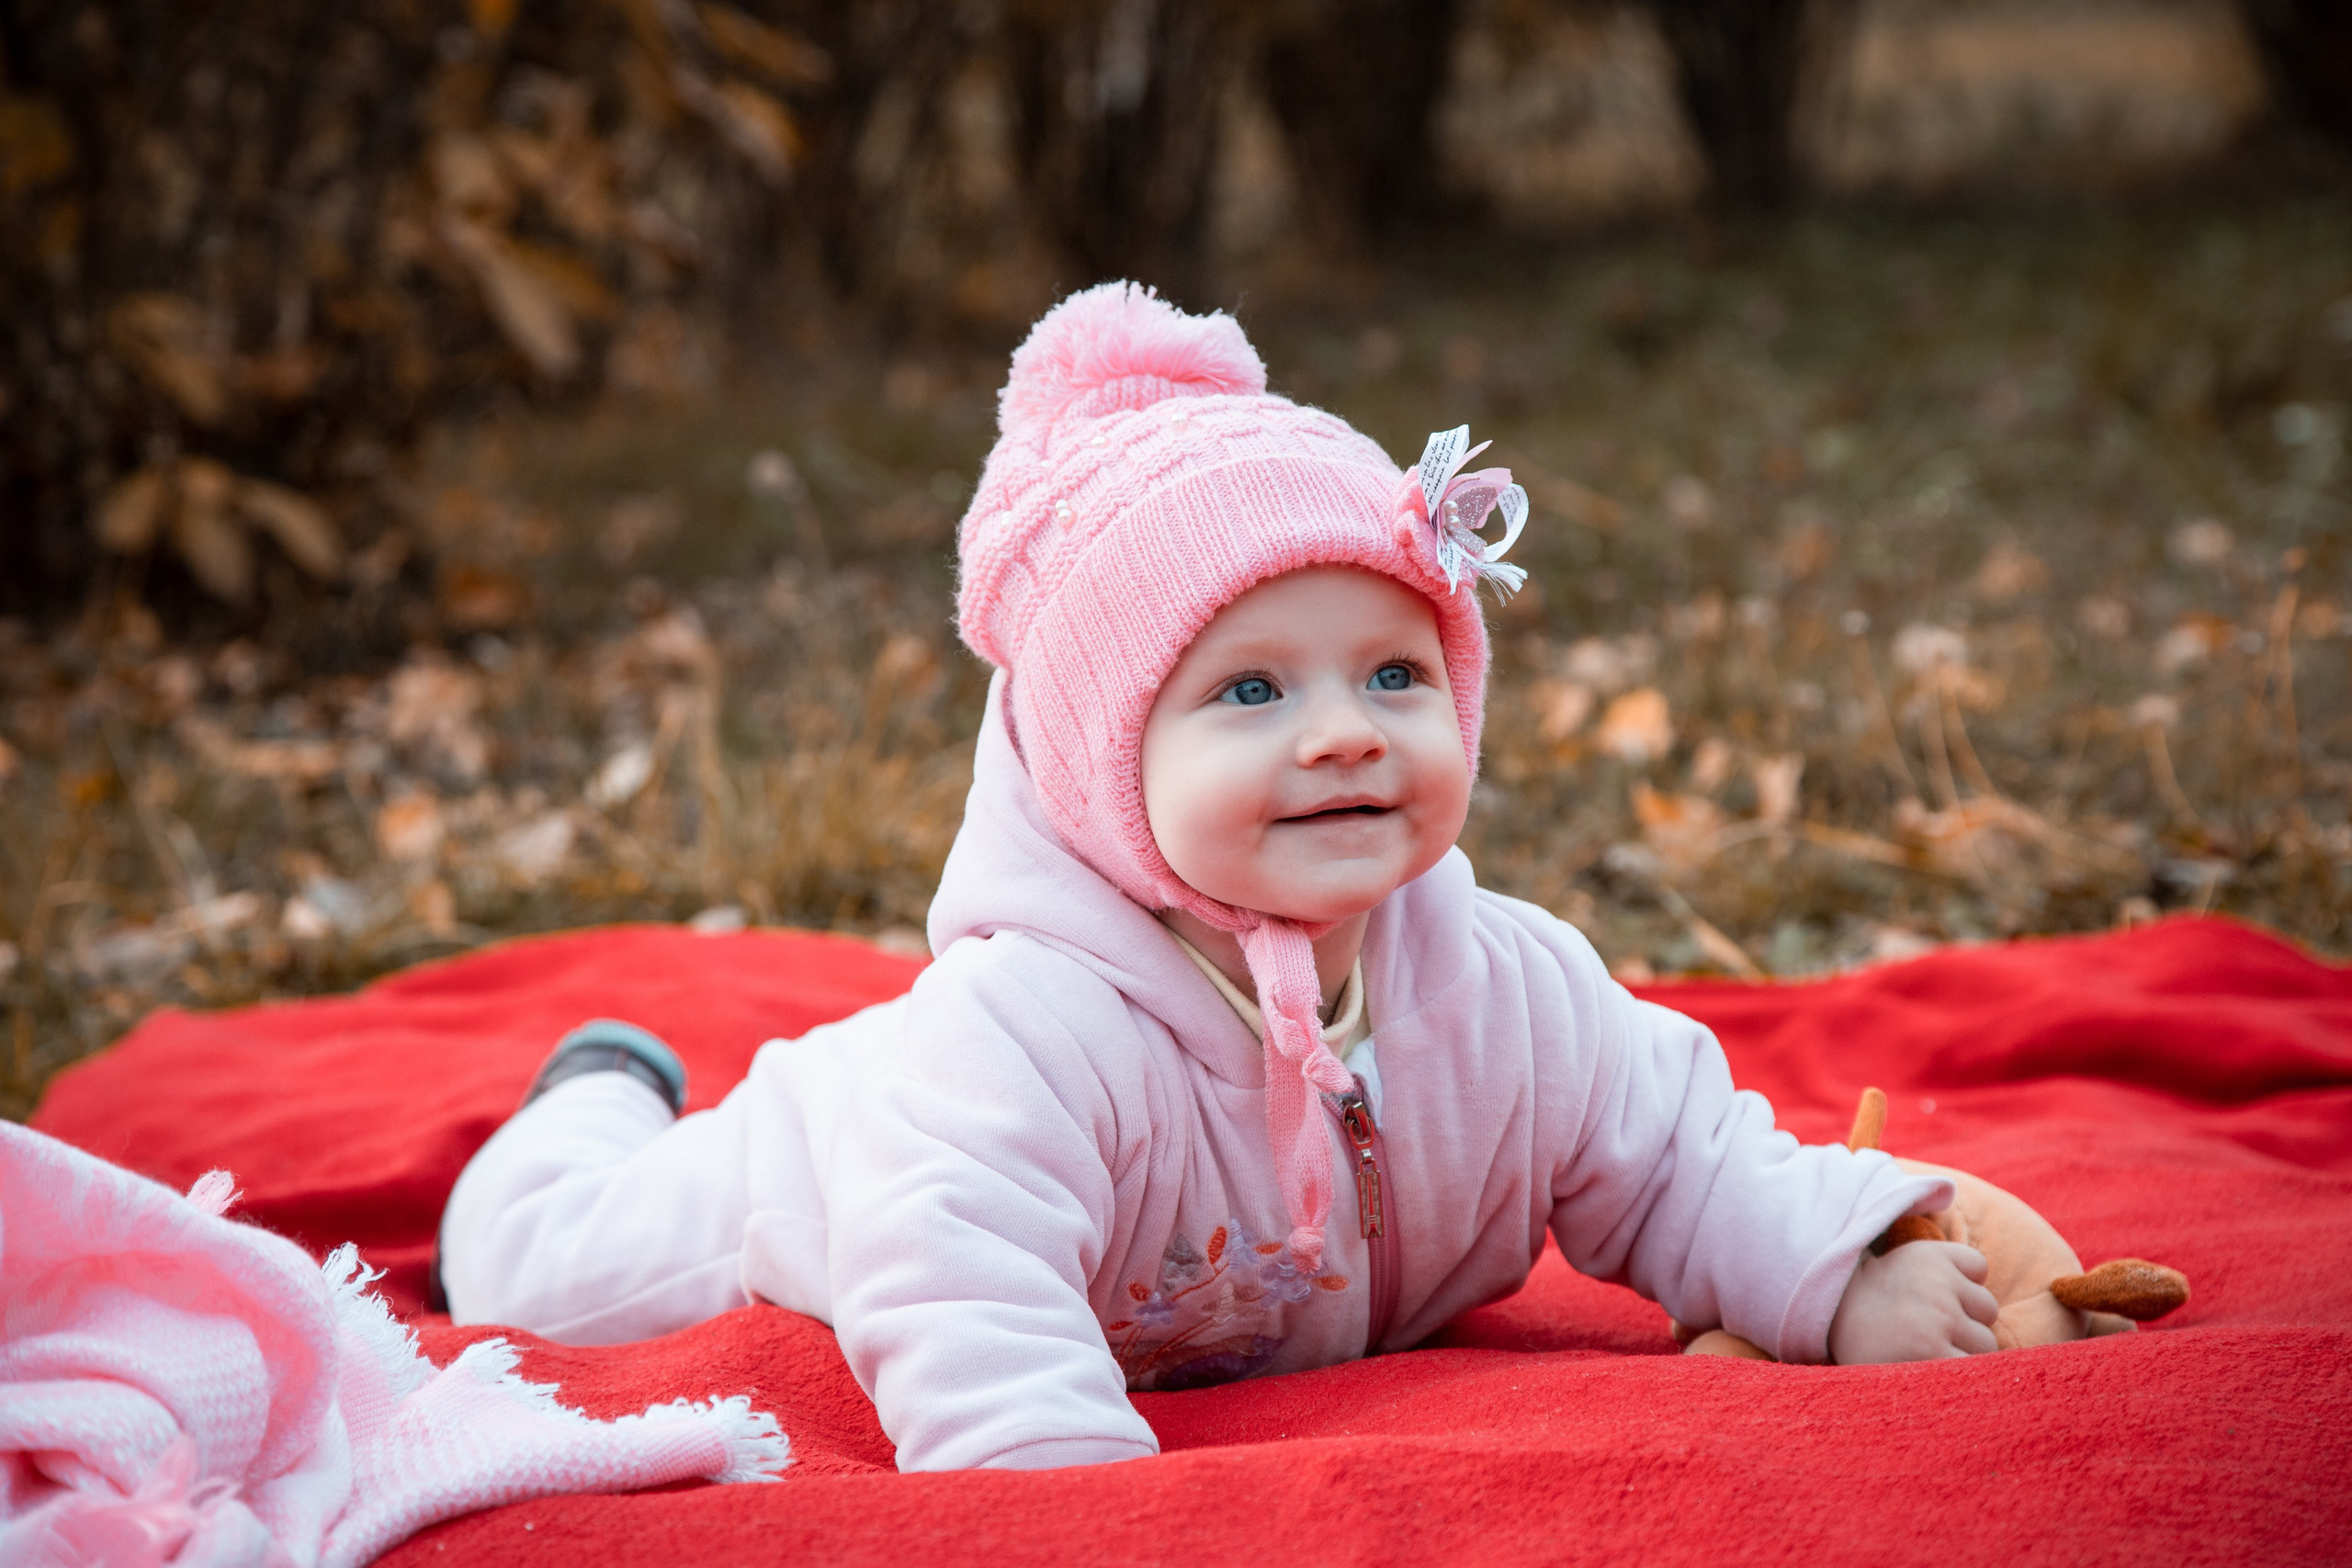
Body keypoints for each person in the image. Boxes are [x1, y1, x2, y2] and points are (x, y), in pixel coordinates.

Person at [437, 283, 1999, 1472]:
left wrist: (1832, 1275)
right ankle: (589, 1099)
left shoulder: (1507, 990)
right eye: (1251, 693)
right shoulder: (1020, 1039)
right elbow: (959, 1295)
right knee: (533, 1254)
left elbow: (1677, 1154)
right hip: (802, 1171)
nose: (1342, 737)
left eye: (1395, 675)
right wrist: (1066, 1489)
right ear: (1094, 767)